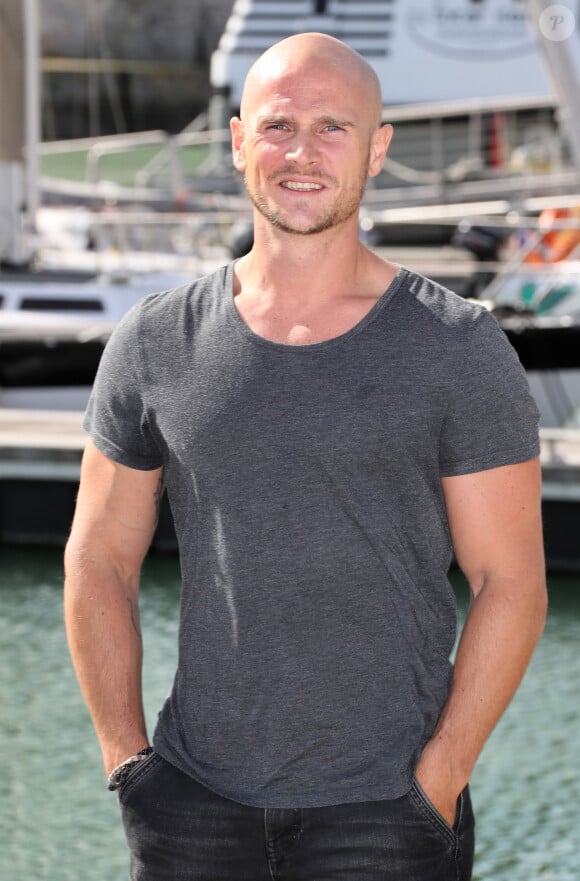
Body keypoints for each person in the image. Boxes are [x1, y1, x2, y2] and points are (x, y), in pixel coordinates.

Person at [64, 32, 547, 881]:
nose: (303, 153)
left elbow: (511, 583)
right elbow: (99, 556)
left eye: (333, 127)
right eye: (280, 125)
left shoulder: (457, 347)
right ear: (241, 139)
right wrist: (127, 759)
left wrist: (440, 777)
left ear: (378, 148)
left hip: (388, 815)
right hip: (191, 809)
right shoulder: (154, 340)